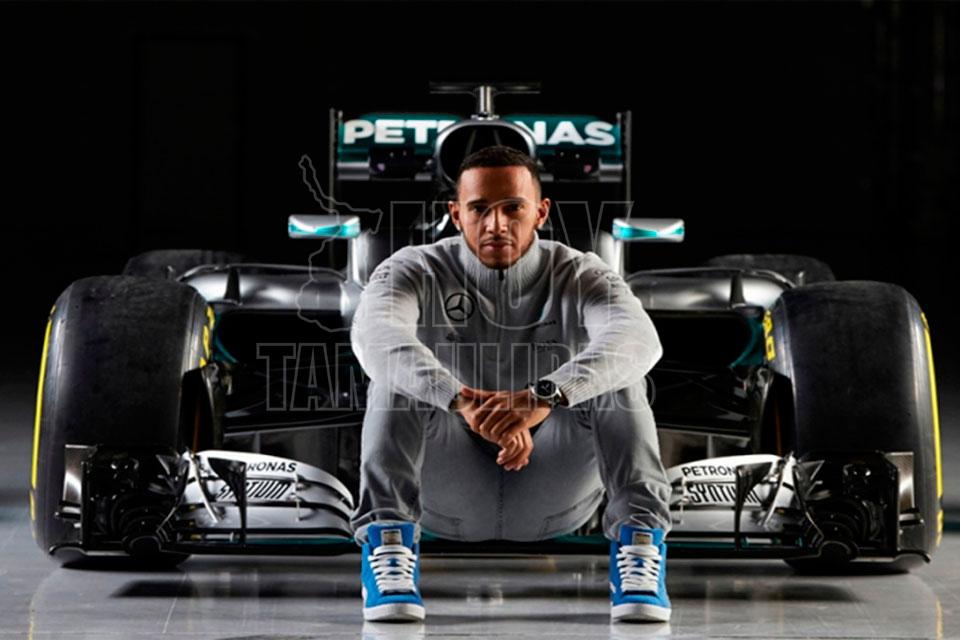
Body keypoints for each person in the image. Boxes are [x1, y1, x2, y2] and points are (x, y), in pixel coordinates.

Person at [349, 145, 672, 623]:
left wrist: (543, 397)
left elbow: (640, 340)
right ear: (456, 214)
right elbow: (375, 339)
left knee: (620, 373)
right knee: (395, 376)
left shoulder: (582, 272)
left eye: (512, 208)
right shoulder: (411, 269)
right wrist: (460, 399)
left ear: (540, 212)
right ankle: (389, 546)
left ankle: (640, 548)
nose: (495, 224)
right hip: (444, 489)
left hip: (555, 484)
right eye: (479, 208)